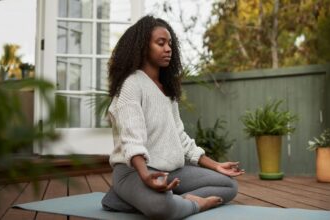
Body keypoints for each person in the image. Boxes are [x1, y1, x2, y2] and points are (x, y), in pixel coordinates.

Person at [101, 15, 245, 220]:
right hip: (134, 172)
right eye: (161, 43)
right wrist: (146, 177)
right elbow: (132, 140)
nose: (168, 48)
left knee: (228, 185)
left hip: (171, 170)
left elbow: (180, 137)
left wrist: (216, 165)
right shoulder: (131, 84)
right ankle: (190, 204)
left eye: (169, 43)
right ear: (143, 47)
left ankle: (155, 200)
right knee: (161, 207)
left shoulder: (166, 90)